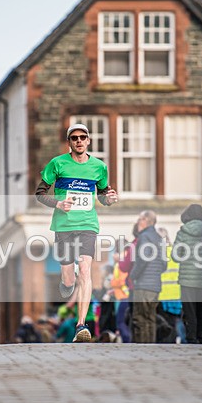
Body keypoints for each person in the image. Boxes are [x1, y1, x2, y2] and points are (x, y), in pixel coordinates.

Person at [35, 123, 118, 342]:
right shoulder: (58, 164)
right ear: (69, 142)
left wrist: (109, 199)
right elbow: (40, 193)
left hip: (87, 224)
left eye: (82, 137)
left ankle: (81, 325)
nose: (79, 141)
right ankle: (66, 283)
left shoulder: (99, 167)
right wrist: (58, 203)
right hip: (63, 225)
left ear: (88, 141)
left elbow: (102, 195)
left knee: (85, 269)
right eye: (74, 138)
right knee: (69, 278)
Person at [172, 204, 202, 344]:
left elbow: (175, 256)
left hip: (187, 280)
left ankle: (191, 338)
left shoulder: (183, 232)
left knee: (189, 311)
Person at [129, 210, 167, 343]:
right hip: (155, 286)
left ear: (146, 221)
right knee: (151, 319)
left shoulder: (144, 237)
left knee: (140, 319)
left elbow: (143, 259)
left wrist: (133, 275)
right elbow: (164, 264)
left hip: (143, 285)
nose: (138, 222)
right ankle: (151, 346)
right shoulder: (159, 238)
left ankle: (142, 347)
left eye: (140, 219)